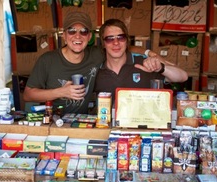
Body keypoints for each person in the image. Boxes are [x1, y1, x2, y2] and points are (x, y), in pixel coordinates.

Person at [23, 12, 158, 114]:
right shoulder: (48, 60)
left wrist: (150, 53)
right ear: (64, 35)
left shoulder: (95, 54)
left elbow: (119, 45)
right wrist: (61, 92)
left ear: (89, 37)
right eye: (72, 31)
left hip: (82, 123)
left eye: (83, 31)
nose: (77, 36)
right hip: (52, 121)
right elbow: (28, 95)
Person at [94, 19, 188, 103]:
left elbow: (183, 77)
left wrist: (161, 68)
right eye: (109, 39)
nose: (116, 43)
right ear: (103, 44)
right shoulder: (96, 69)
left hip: (142, 122)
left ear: (127, 41)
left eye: (121, 37)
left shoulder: (144, 63)